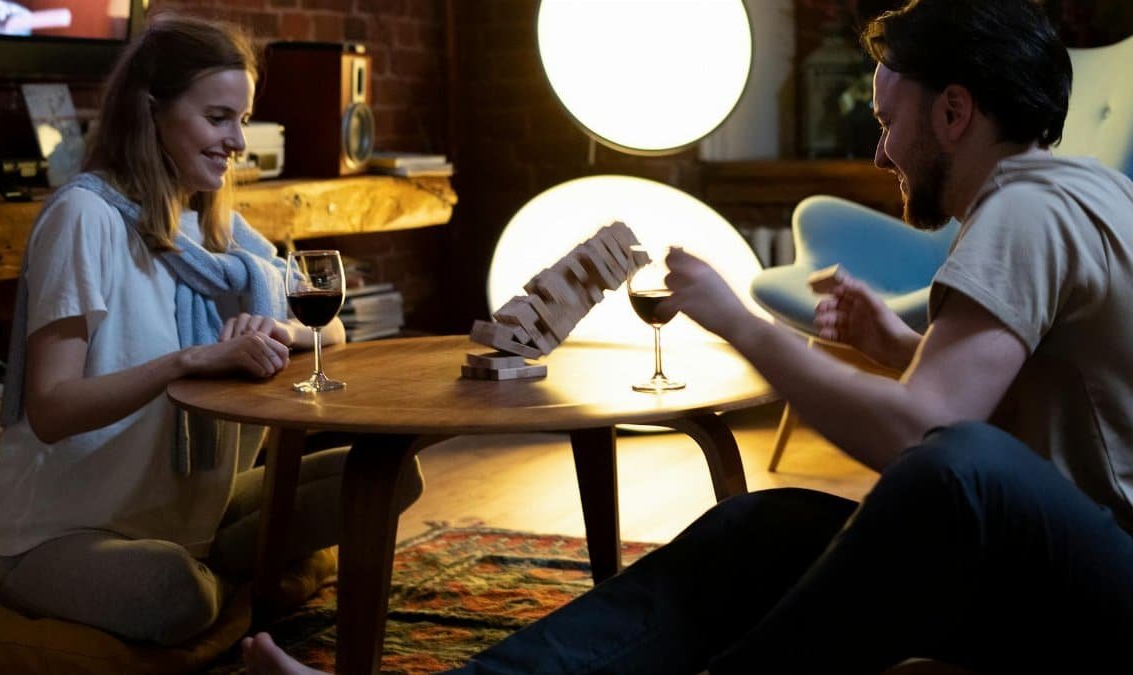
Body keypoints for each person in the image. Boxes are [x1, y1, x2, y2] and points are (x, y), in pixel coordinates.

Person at [242, 0, 1133, 673]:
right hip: (1061, 563)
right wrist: (900, 348)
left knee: (953, 470)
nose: (879, 151)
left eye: (887, 119)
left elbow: (926, 439)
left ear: (954, 114)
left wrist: (742, 321)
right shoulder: (1081, 190)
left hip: (1105, 594)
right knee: (761, 527)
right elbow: (1037, 403)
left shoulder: (1024, 208)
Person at [0, 14, 424, 646]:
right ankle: (239, 572)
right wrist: (190, 360)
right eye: (218, 118)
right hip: (58, 534)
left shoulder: (215, 233)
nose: (237, 142)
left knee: (391, 478)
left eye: (241, 120)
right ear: (150, 113)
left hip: (181, 514)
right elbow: (51, 409)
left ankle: (225, 560)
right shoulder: (84, 218)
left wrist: (272, 329)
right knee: (177, 595)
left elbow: (334, 335)